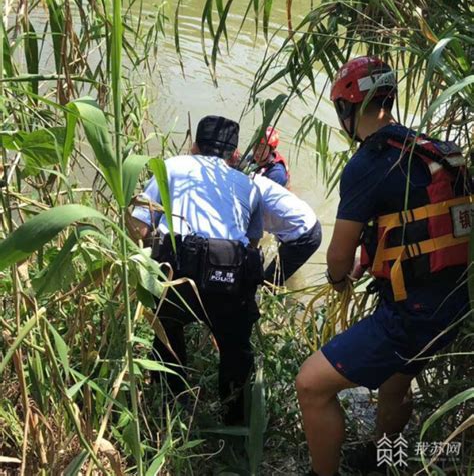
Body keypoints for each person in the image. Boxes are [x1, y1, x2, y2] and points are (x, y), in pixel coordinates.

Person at [296, 56, 471, 476]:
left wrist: (338, 281)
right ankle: (384, 457)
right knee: (395, 383)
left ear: (346, 109)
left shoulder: (369, 162)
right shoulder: (432, 148)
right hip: (456, 300)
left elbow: (337, 257)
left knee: (311, 384)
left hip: (415, 314)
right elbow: (417, 222)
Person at [128, 115, 264, 425]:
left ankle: (173, 405)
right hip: (230, 277)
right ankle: (234, 419)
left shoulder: (171, 167)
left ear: (193, 146)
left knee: (167, 332)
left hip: (177, 272)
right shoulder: (248, 185)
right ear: (233, 155)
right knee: (235, 348)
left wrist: (152, 249)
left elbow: (138, 225)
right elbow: (253, 242)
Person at [252, 174, 322, 285]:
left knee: (268, 285)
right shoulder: (254, 179)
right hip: (304, 223)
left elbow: (250, 241)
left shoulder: (249, 196)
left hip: (304, 237)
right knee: (277, 272)